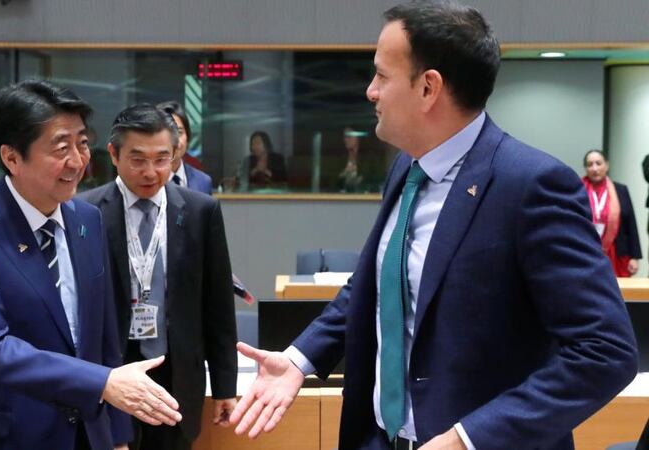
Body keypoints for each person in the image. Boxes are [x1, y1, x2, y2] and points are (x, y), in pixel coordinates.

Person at [229, 2, 638, 450]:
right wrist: (300, 359)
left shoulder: (532, 185)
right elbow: (380, 283)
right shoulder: (407, 167)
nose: (370, 91)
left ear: (428, 88)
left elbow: (605, 352)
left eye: (381, 76)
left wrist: (469, 439)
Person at [0, 80, 182, 450]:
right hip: (7, 436)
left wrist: (116, 437)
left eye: (82, 143)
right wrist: (101, 384)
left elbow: (104, 338)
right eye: (61, 148)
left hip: (87, 434)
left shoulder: (87, 220)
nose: (79, 161)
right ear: (12, 157)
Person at [79, 104, 237, 450]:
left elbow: (218, 304)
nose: (151, 172)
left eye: (162, 159)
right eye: (138, 159)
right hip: (113, 371)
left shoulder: (200, 211)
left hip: (177, 372)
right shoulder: (85, 212)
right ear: (114, 155)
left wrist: (226, 385)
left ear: (176, 154)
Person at [582, 149, 642, 276]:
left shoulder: (620, 190)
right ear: (585, 168)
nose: (594, 168)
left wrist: (635, 257)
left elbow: (631, 224)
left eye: (598, 163)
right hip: (586, 251)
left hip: (616, 252)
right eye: (590, 164)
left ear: (606, 165)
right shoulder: (578, 190)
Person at [157, 100, 213, 194]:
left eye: (179, 132)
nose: (175, 140)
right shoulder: (145, 180)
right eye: (167, 133)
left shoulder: (203, 182)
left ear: (188, 137)